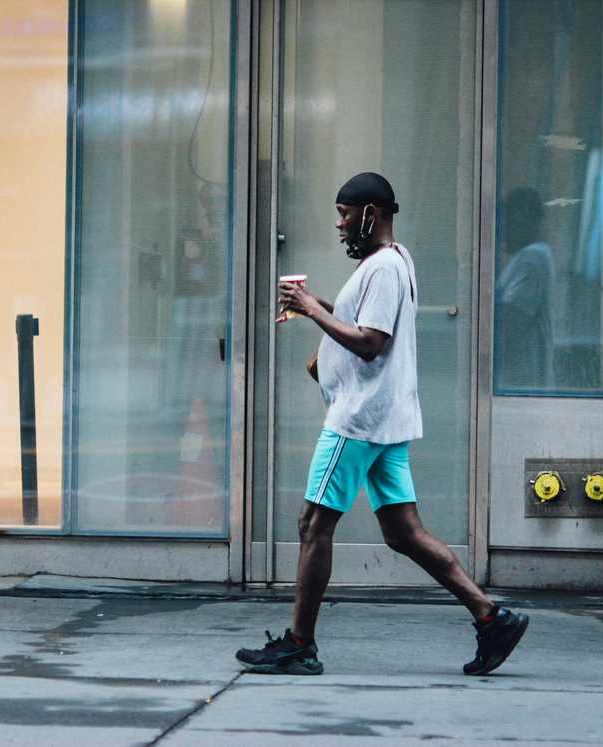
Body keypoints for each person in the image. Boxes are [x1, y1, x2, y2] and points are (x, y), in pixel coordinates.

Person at [236, 172, 528, 676]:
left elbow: (372, 342)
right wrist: (319, 307)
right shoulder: (393, 261)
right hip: (384, 418)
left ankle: (300, 644)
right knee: (404, 532)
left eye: (344, 214)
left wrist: (312, 310)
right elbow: (364, 322)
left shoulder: (385, 268)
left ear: (370, 214)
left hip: (358, 419)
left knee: (313, 524)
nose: (339, 224)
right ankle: (491, 618)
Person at [496, 187, 555, 390]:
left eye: (507, 220)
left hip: (523, 381)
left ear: (522, 219)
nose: (502, 229)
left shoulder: (533, 257)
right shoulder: (525, 257)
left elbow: (511, 320)